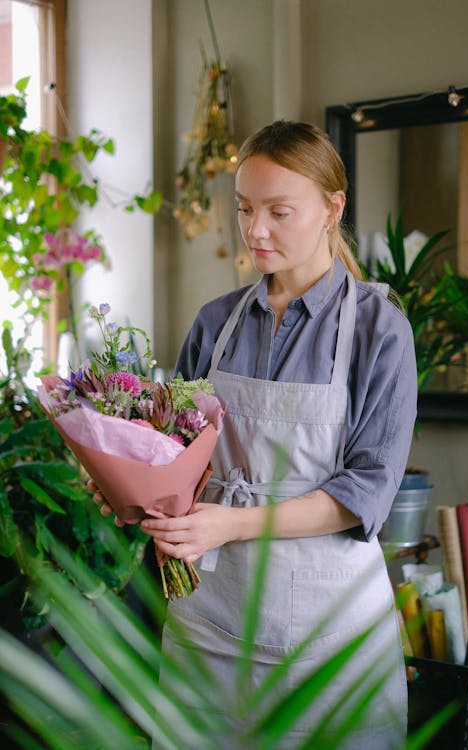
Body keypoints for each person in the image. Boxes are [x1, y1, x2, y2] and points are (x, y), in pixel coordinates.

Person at [94, 120, 417, 749]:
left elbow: (366, 492)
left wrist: (232, 523)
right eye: (244, 209)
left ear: (332, 208)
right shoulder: (217, 323)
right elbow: (175, 455)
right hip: (209, 624)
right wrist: (131, 491)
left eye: (278, 211)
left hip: (330, 638)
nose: (255, 230)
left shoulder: (380, 330)